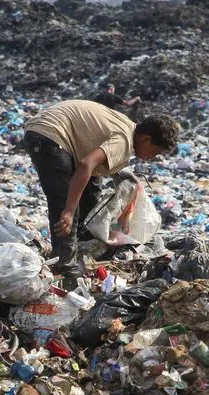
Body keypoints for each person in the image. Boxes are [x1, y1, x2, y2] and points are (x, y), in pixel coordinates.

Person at [23, 100, 179, 284]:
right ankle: (65, 268)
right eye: (156, 152)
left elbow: (98, 161)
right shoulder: (124, 141)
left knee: (92, 187)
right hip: (49, 134)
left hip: (53, 130)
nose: (154, 157)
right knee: (65, 203)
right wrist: (70, 210)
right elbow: (86, 163)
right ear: (147, 139)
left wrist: (127, 178)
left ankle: (83, 245)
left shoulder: (129, 129)